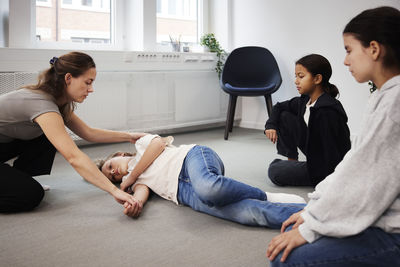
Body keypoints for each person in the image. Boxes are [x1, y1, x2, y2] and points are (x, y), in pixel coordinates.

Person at [266, 6, 400, 266]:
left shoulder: (390, 105)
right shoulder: (383, 97)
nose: (346, 61)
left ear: (374, 49)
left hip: (389, 229)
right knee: (293, 209)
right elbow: (355, 162)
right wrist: (314, 208)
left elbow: (366, 184)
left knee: (287, 258)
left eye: (349, 50)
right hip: (359, 198)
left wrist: (312, 225)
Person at [0, 52, 146, 216]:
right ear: (68, 78)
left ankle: (19, 177)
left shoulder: (57, 103)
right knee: (30, 195)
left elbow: (88, 133)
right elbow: (73, 157)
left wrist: (129, 136)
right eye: (88, 82)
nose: (91, 89)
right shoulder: (42, 104)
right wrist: (113, 190)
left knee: (50, 136)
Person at [96, 134, 307, 227]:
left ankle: (267, 195)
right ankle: (304, 215)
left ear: (120, 154)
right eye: (112, 177)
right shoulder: (135, 183)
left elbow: (158, 144)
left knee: (209, 189)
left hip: (192, 159)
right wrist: (136, 203)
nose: (114, 173)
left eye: (110, 166)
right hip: (184, 193)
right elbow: (142, 191)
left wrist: (131, 175)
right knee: (245, 214)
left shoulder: (140, 148)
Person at [265, 54, 351, 187]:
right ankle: (292, 161)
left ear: (317, 79)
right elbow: (279, 106)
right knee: (284, 116)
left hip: (326, 168)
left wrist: (329, 182)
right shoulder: (305, 100)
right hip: (314, 151)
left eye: (301, 76)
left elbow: (333, 152)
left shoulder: (326, 112)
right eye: (296, 76)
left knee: (274, 171)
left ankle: (292, 166)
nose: (296, 81)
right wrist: (271, 125)